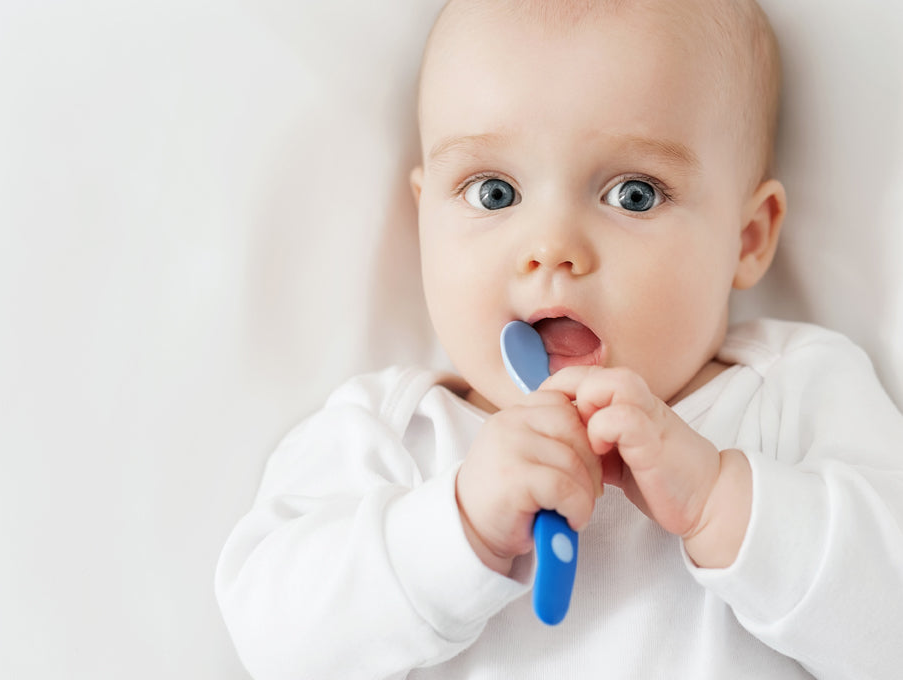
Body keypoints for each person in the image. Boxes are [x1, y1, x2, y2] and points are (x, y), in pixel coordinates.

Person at [217, 0, 903, 677]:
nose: (550, 248)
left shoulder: (792, 394)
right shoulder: (393, 436)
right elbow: (274, 641)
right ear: (423, 216)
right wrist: (458, 528)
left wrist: (720, 502)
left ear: (746, 239)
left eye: (633, 193)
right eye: (492, 192)